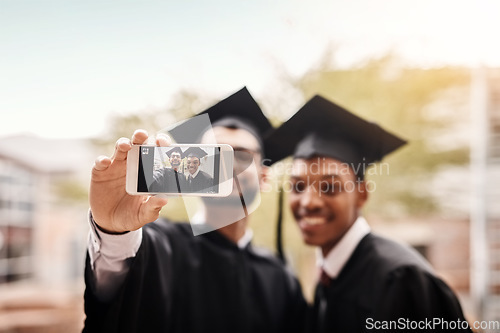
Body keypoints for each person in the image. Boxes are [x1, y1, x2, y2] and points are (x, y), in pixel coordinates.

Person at [84, 87, 306, 333]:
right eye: (215, 156)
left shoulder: (280, 278)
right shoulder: (160, 246)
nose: (228, 166)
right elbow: (117, 278)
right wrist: (114, 230)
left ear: (264, 177)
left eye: (241, 156)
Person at [265, 95, 472, 332]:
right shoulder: (330, 279)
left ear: (361, 194)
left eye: (330, 187)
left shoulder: (402, 281)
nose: (309, 202)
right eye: (298, 186)